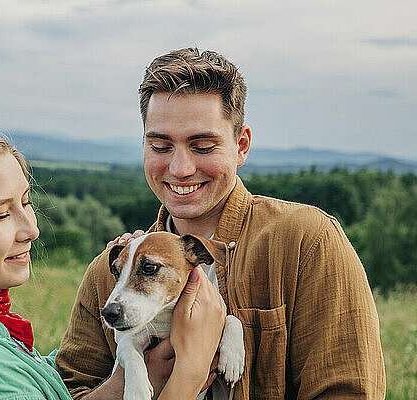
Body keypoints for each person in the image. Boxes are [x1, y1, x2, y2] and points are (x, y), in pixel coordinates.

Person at [56, 48, 386, 399]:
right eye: (160, 145)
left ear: (241, 146)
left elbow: (349, 390)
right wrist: (135, 375)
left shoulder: (307, 242)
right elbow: (70, 391)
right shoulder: (106, 274)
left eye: (202, 146)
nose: (181, 168)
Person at [0, 124, 227, 400]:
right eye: (0, 215)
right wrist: (190, 372)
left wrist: (116, 382)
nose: (31, 229)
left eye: (26, 203)